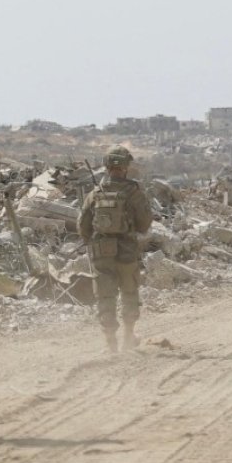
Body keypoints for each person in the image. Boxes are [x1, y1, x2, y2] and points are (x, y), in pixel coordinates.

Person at [78, 147, 154, 352]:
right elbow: (145, 223)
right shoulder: (133, 192)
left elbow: (83, 226)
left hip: (101, 251)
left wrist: (94, 242)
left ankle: (110, 341)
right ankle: (129, 336)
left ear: (107, 166)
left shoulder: (95, 193)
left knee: (105, 295)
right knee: (129, 291)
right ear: (126, 167)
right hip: (127, 250)